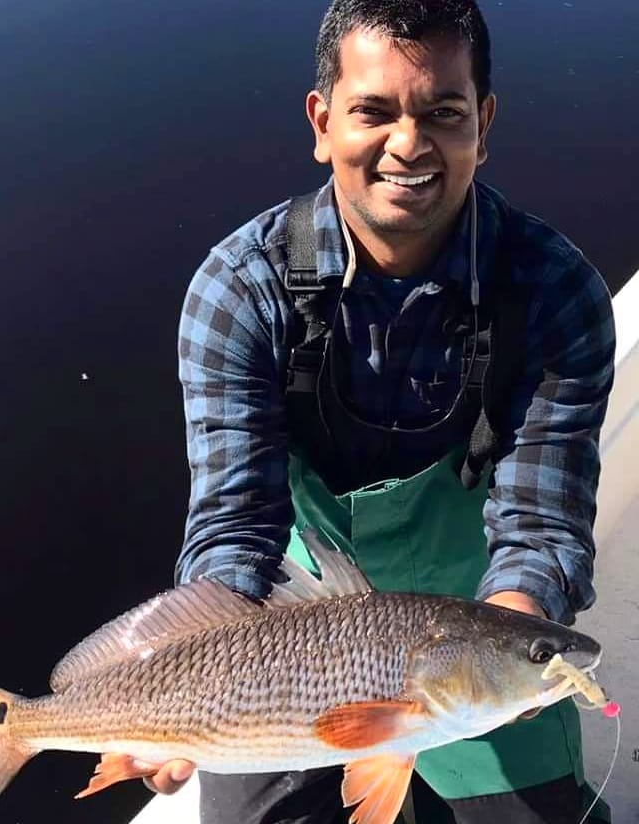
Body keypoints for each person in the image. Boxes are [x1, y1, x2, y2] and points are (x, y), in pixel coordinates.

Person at [142, 1, 615, 821]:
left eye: (443, 112)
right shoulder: (238, 290)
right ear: (323, 122)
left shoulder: (553, 290)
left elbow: (541, 520)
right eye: (375, 110)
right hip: (290, 615)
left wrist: (518, 635)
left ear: (483, 122)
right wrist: (179, 679)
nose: (409, 143)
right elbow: (235, 523)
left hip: (480, 599)